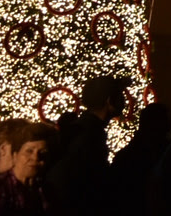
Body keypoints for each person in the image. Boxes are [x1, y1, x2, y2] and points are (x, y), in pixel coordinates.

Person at [48, 73, 129, 216]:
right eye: (121, 97)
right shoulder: (91, 136)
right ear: (110, 101)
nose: (125, 102)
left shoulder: (84, 129)